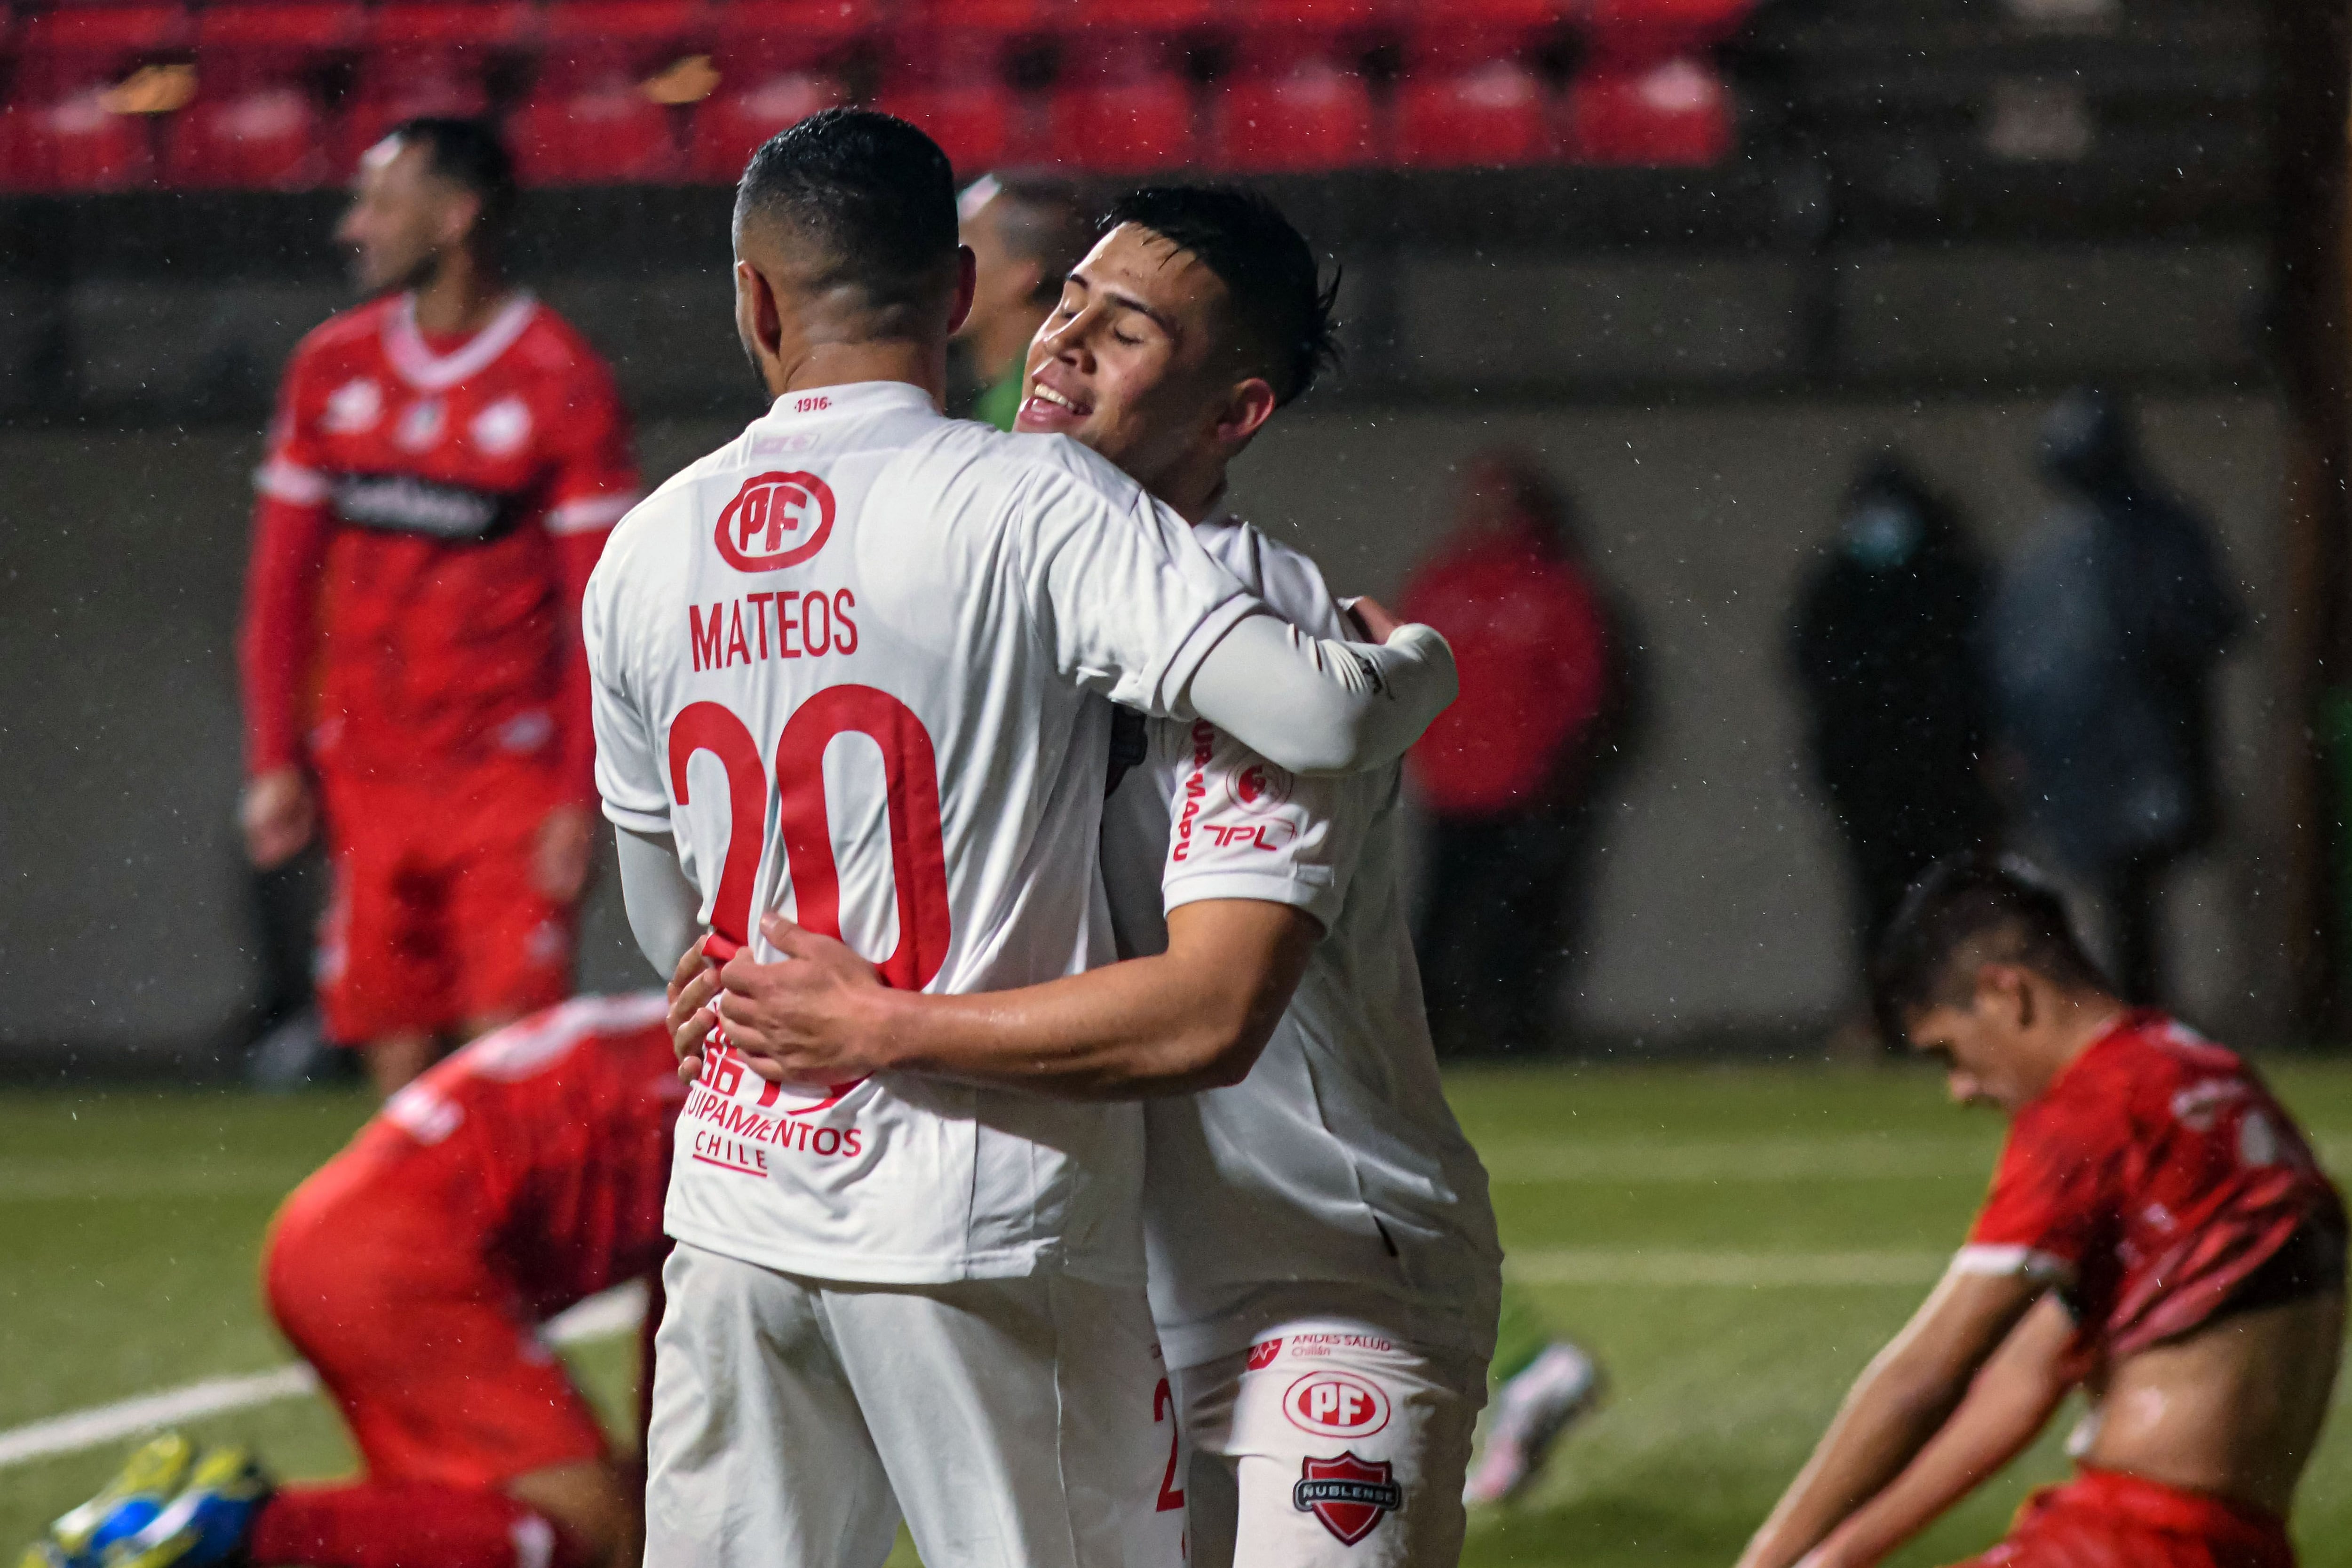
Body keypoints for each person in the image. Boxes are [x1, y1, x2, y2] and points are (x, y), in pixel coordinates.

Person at [584, 112, 1458, 1568]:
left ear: (751, 302)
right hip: (989, 1220)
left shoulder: (652, 540)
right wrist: (1422, 666)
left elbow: (1209, 1013)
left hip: (1286, 1269)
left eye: (1123, 332)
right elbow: (1323, 718)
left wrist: (814, 1005)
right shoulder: (1025, 514)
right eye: (1063, 306)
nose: (1061, 349)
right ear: (961, 293)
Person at [1737, 855, 2344, 1568]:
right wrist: (1837, 1554)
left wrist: (1768, 1556)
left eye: (1950, 1053)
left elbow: (1922, 1379)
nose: (1961, 1089)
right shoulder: (2209, 1078)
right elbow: (2022, 1384)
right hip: (2241, 1547)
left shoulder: (2090, 1111)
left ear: (2007, 994)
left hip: (2134, 1543)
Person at [238, 116, 640, 1098]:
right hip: (367, 771)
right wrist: (272, 756)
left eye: (379, 201)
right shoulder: (329, 368)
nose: (353, 226)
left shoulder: (561, 379)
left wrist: (576, 794)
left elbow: (601, 610)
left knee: (511, 1071)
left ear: (456, 216)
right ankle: (431, 1259)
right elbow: (280, 585)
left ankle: (554, 1257)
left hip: (504, 777)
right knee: (399, 1078)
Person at [20, 994, 682, 1568]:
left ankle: (183, 1530)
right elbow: (698, 1314)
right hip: (401, 1258)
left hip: (340, 1229)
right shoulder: (745, 1086)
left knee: (467, 1521)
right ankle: (231, 1527)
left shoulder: (686, 1033)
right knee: (596, 1530)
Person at [1986, 388, 2241, 1005]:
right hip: (2088, 752)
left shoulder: (2159, 533)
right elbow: (2017, 662)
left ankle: (2142, 1013)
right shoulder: (2051, 556)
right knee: (2117, 896)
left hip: (2147, 744)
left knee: (2137, 892)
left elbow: (2205, 625)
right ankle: (2131, 1012)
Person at [1397, 451, 1616, 1057]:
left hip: (1529, 793)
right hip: (1452, 793)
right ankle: (1428, 1042)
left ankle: (1512, 1039)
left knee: (1521, 925)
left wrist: (1549, 765)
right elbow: (1402, 670)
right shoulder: (1443, 585)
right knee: (1440, 922)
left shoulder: (1553, 589)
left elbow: (1581, 691)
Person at [1790, 456, 1998, 969]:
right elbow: (1813, 671)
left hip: (1941, 771)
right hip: (1868, 776)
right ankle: (1889, 1008)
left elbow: (1980, 674)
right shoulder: (1837, 587)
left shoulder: (1949, 580)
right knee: (1879, 895)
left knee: (1943, 897)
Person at [951, 172, 1094, 430]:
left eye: (963, 241)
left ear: (1020, 276)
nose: (941, 260)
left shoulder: (1039, 407)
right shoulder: (957, 381)